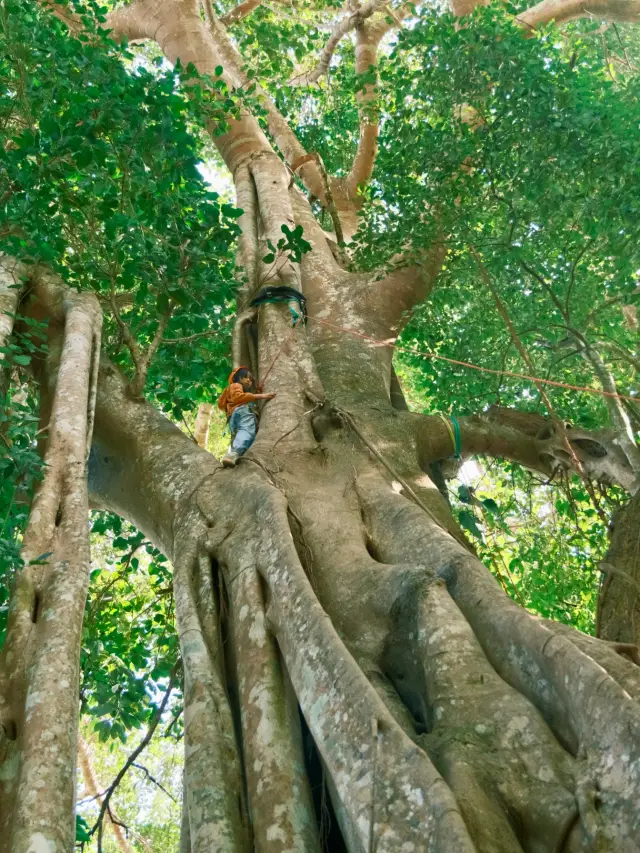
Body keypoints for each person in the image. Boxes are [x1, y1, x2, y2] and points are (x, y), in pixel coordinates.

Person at [217, 367, 275, 467]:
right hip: (242, 411)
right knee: (247, 431)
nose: (248, 380)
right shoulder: (235, 385)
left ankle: (237, 456)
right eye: (245, 377)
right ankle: (233, 454)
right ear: (237, 379)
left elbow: (239, 399)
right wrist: (261, 396)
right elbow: (238, 397)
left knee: (246, 435)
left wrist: (257, 392)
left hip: (234, 417)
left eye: (250, 379)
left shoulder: (235, 390)